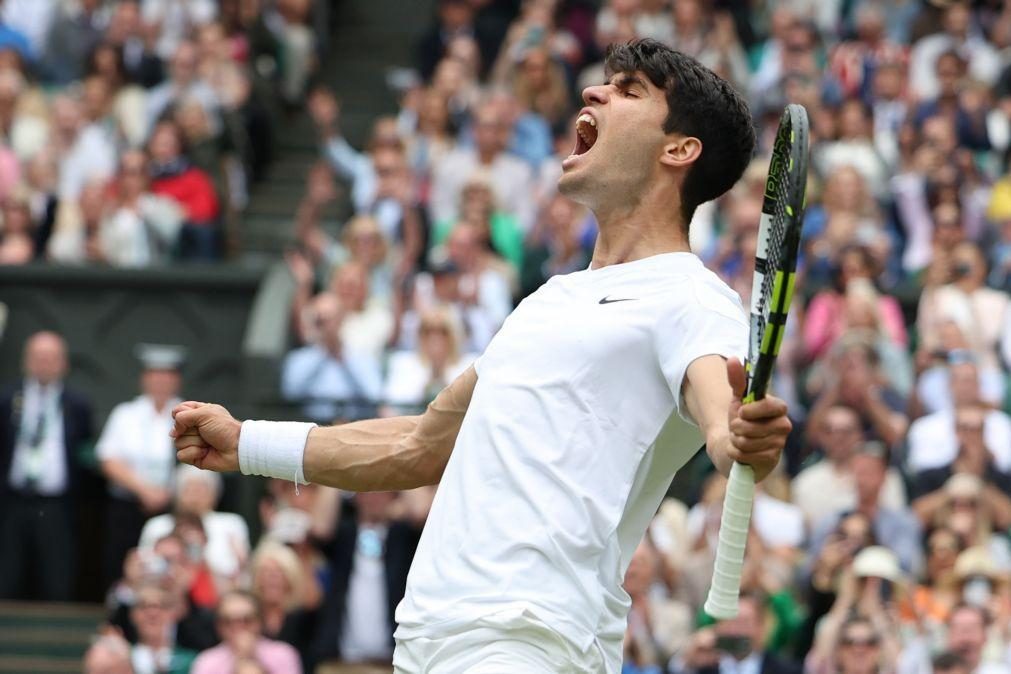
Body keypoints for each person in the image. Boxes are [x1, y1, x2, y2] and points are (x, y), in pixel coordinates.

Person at [171, 40, 791, 673]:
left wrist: (738, 436)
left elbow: (720, 410)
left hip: (527, 641)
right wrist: (248, 442)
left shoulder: (693, 298)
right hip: (432, 644)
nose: (594, 92)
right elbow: (418, 443)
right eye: (607, 82)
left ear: (678, 150)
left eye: (630, 90)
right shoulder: (544, 304)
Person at [0, 331, 93, 601]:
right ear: (26, 361)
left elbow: (84, 452)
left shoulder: (77, 404)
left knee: (57, 577)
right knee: (7, 575)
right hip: (12, 502)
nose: (44, 364)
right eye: (38, 357)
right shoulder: (6, 400)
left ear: (63, 363)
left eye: (51, 358)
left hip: (58, 505)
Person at [98, 344, 186, 590]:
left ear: (176, 380)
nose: (160, 381)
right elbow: (108, 459)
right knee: (120, 567)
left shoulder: (189, 413)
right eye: (154, 374)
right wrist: (144, 490)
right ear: (144, 379)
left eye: (166, 375)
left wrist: (167, 493)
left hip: (171, 508)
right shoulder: (125, 414)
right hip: (127, 507)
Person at [190, 590, 302, 674]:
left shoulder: (283, 654)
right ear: (219, 626)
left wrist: (248, 658)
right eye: (228, 621)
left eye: (246, 620)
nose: (238, 627)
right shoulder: (206, 662)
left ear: (259, 621)